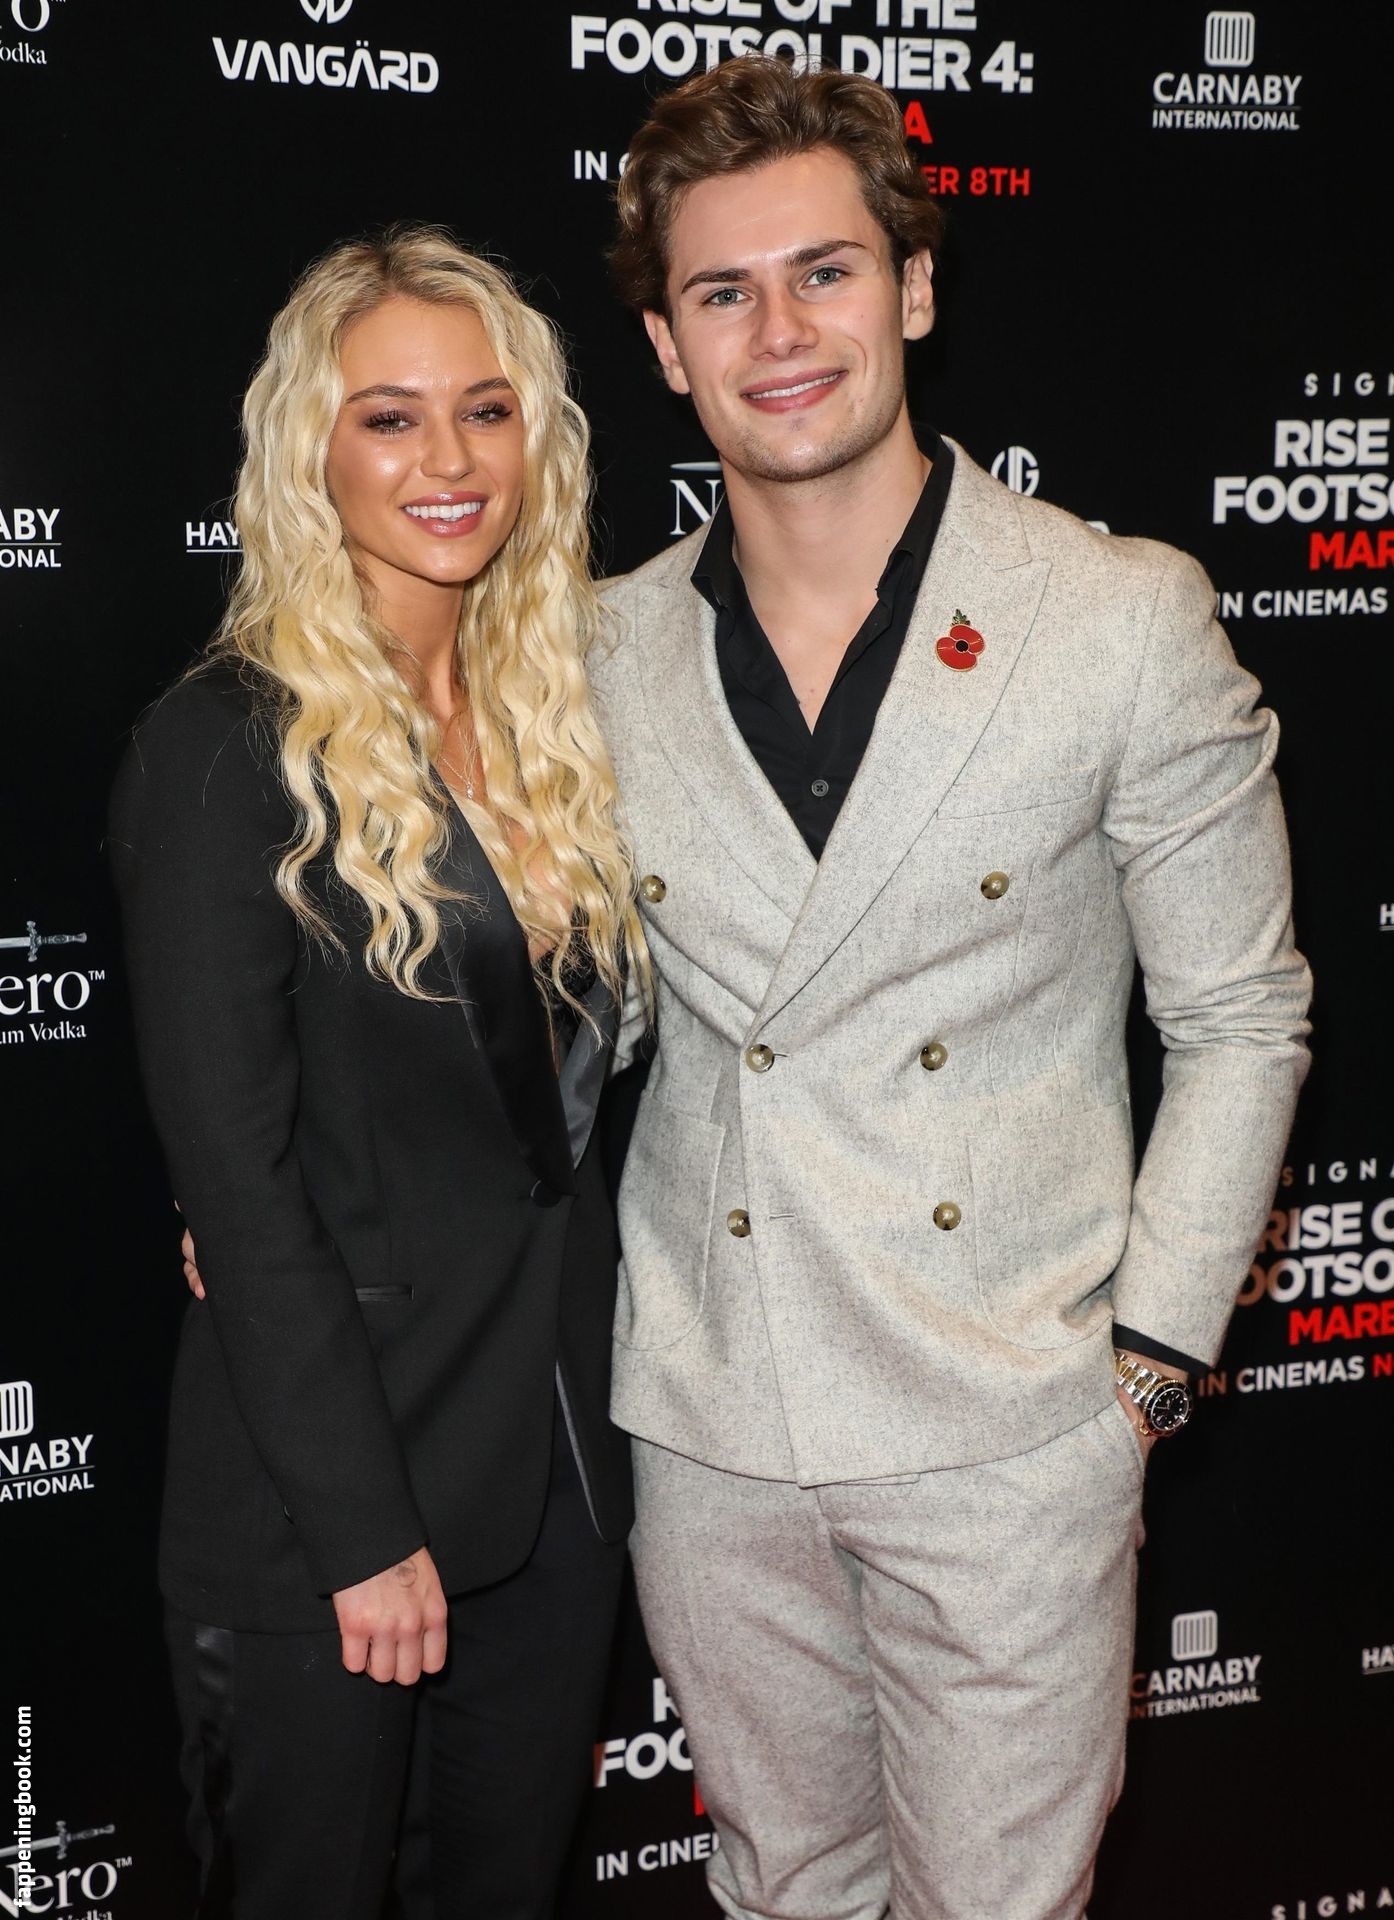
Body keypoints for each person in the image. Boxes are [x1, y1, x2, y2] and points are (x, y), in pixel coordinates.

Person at [590, 57, 1312, 1920]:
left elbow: (1238, 1016)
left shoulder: (1115, 618)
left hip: (1007, 1423)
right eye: (722, 292)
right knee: (781, 1890)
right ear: (666, 348)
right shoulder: (593, 653)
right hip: (716, 1422)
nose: (779, 334)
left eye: (823, 273)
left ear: (912, 288)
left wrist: (1143, 1371)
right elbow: (561, 1019)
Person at [109, 227, 645, 1920]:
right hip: (328, 1508)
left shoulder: (563, 718)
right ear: (310, 452)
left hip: (556, 1474)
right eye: (390, 418)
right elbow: (237, 1183)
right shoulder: (225, 748)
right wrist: (359, 1532)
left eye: (486, 410)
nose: (448, 460)